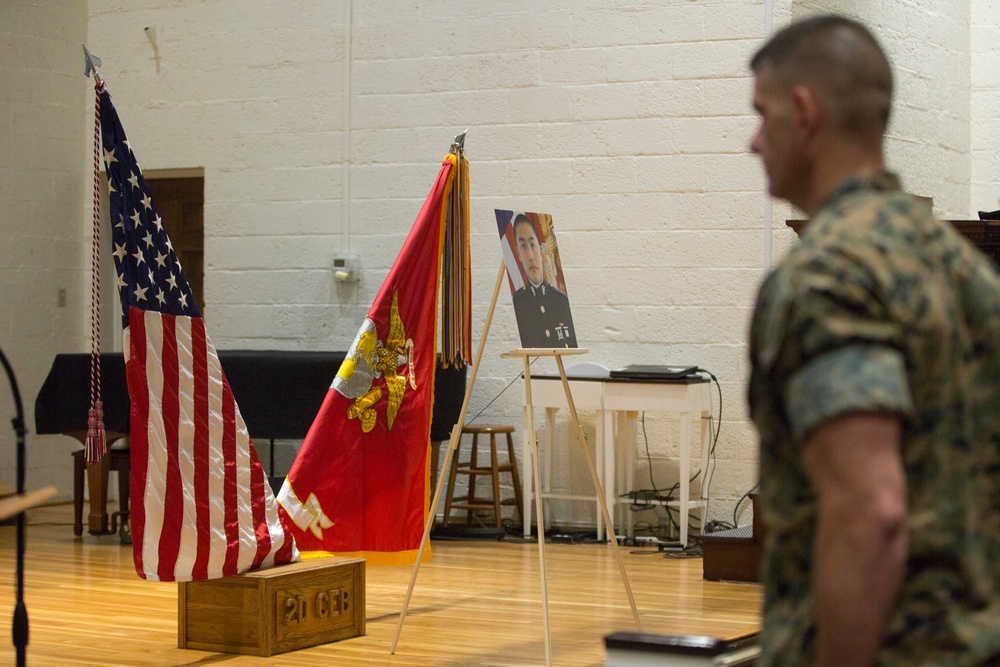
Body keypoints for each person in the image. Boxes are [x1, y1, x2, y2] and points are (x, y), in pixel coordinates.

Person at [746, 14, 1000, 667]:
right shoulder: (965, 268)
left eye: (761, 112)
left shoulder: (829, 273)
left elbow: (869, 511)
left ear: (803, 113)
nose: (753, 140)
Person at [509, 214, 578, 348]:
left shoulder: (561, 301)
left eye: (532, 245)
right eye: (523, 246)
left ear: (540, 249)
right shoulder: (518, 302)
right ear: (517, 254)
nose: (530, 256)